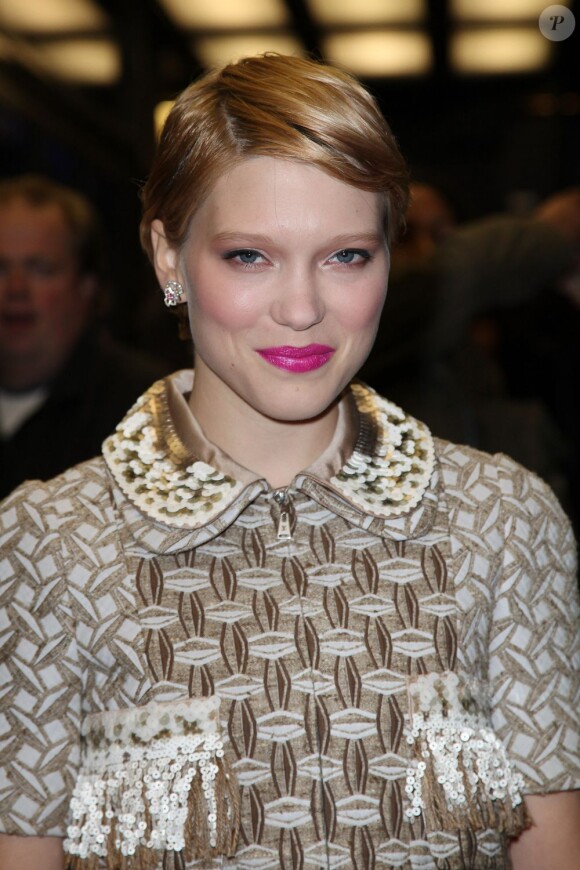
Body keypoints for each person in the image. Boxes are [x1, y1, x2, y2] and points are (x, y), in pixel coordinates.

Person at [0, 55, 578, 870]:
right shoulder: (49, 544)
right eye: (250, 256)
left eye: (347, 255)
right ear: (168, 257)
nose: (303, 309)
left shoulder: (502, 522)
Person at [0, 175, 171, 499]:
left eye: (40, 269)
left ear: (87, 287)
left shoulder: (147, 411)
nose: (16, 290)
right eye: (0, 268)